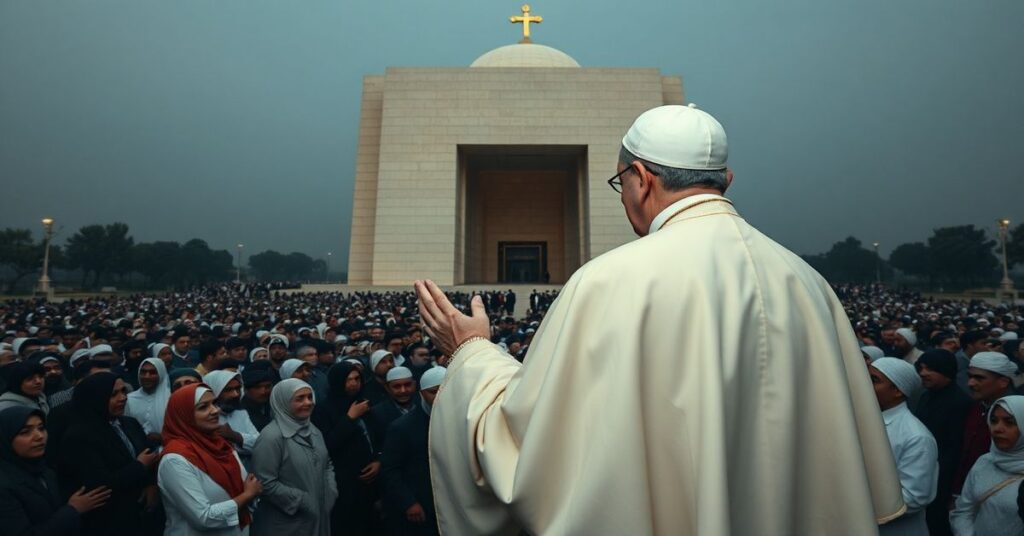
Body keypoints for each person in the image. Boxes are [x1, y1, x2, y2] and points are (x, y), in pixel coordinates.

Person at [416, 104, 904, 534]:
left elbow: (524, 452)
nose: (623, 196)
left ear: (641, 178)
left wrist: (472, 350)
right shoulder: (806, 282)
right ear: (725, 179)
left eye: (620, 183)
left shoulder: (611, 280)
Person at [57, 372, 160, 535]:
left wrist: (151, 484)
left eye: (123, 391)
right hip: (108, 520)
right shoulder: (78, 437)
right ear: (95, 399)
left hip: (141, 513)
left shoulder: (129, 423)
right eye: (113, 394)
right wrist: (139, 466)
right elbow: (100, 486)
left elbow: (149, 454)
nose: (123, 398)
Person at [157, 383, 262, 535]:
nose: (215, 410)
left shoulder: (221, 444)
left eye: (214, 403)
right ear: (184, 415)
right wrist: (247, 495)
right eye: (203, 407)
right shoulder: (174, 460)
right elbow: (203, 518)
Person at [0, 406, 112, 535]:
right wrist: (72, 510)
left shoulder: (46, 470)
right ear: (6, 439)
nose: (39, 436)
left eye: (41, 428)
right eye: (25, 432)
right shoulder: (4, 484)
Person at [251, 379, 337, 536]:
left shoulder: (313, 429)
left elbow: (327, 463)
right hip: (286, 523)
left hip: (318, 518)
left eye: (310, 397)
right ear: (283, 402)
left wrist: (330, 491)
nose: (308, 402)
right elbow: (265, 482)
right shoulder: (271, 437)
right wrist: (302, 501)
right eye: (300, 398)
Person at [869, 358, 939, 535]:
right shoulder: (865, 420)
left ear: (897, 391)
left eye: (874, 380)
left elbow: (913, 498)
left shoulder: (916, 437)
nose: (865, 384)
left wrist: (855, 498)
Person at [313, 362, 380, 536]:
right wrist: (350, 418)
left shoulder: (364, 403)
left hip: (370, 482)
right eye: (347, 379)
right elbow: (327, 445)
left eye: (357, 378)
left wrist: (379, 461)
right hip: (342, 485)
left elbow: (378, 439)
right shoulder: (323, 410)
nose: (353, 383)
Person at [914, 349, 972, 536]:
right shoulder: (926, 396)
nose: (923, 373)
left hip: (942, 482)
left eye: (930, 369)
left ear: (946, 370)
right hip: (923, 473)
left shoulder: (961, 403)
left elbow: (955, 449)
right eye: (921, 368)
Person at [380, 367, 445, 536]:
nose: (440, 396)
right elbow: (391, 469)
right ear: (422, 393)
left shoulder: (461, 418)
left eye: (445, 389)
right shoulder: (402, 427)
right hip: (422, 503)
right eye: (433, 392)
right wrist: (409, 502)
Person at [950, 395, 1024, 536]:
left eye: (1009, 422)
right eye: (994, 421)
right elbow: (963, 511)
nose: (997, 429)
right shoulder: (985, 462)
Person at [954, 352, 1019, 495]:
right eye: (970, 377)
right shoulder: (975, 407)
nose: (970, 383)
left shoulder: (1019, 414)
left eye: (979, 378)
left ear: (1003, 382)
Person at [203, 371, 260, 467]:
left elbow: (260, 444)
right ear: (213, 391)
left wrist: (236, 436)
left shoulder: (241, 413)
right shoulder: (204, 417)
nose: (236, 394)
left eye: (237, 389)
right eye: (228, 390)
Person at [126, 357, 172, 445]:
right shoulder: (129, 399)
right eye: (143, 372)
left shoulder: (171, 399)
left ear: (161, 374)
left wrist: (162, 438)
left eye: (152, 373)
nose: (147, 377)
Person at [368, 366, 416, 448]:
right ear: (387, 388)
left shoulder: (424, 406)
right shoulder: (377, 413)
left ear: (414, 385)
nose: (403, 390)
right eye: (397, 386)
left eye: (407, 385)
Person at [240, 364, 275, 432]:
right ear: (246, 390)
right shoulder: (241, 412)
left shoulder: (273, 404)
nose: (263, 392)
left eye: (267, 387)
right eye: (257, 387)